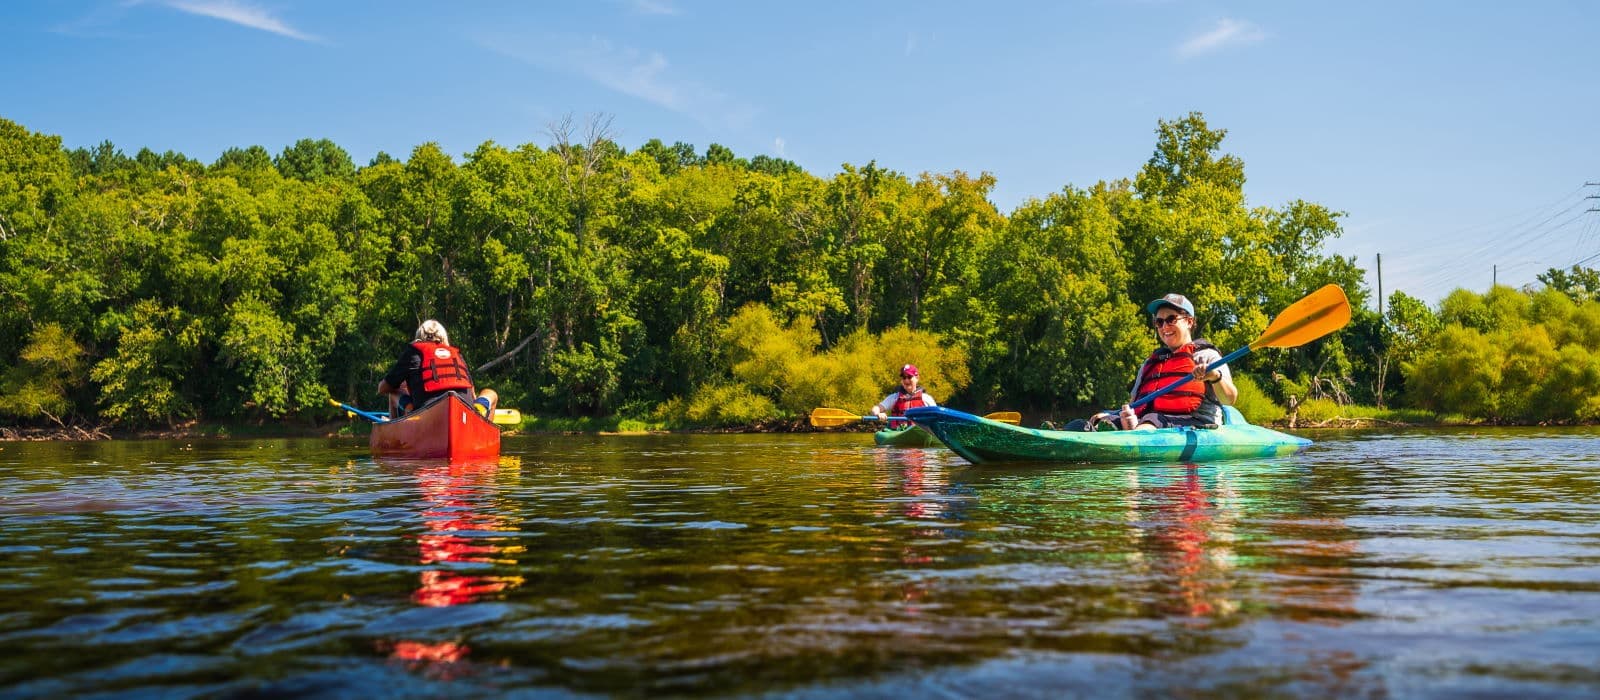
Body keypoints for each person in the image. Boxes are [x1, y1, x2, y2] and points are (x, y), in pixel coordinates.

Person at [1084, 293, 1238, 431]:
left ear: (1189, 321)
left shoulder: (1206, 356)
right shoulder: (1150, 363)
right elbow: (1133, 403)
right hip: (1150, 420)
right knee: (1093, 422)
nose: (1164, 327)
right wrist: (1113, 414)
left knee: (1150, 422)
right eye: (1159, 322)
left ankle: (1135, 435)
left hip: (1196, 423)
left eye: (1171, 319)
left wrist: (1213, 375)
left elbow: (1229, 399)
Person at [377, 320, 498, 418]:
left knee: (392, 392)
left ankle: (396, 436)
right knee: (491, 394)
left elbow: (383, 388)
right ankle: (482, 435)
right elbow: (472, 393)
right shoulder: (456, 354)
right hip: (465, 412)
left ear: (419, 337)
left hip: (426, 415)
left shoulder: (413, 352)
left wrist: (406, 397)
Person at [871, 364, 938, 420]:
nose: (906, 380)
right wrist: (878, 413)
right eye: (904, 377)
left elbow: (937, 415)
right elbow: (876, 408)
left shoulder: (926, 398)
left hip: (922, 429)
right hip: (899, 430)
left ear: (917, 378)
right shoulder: (894, 397)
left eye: (909, 377)